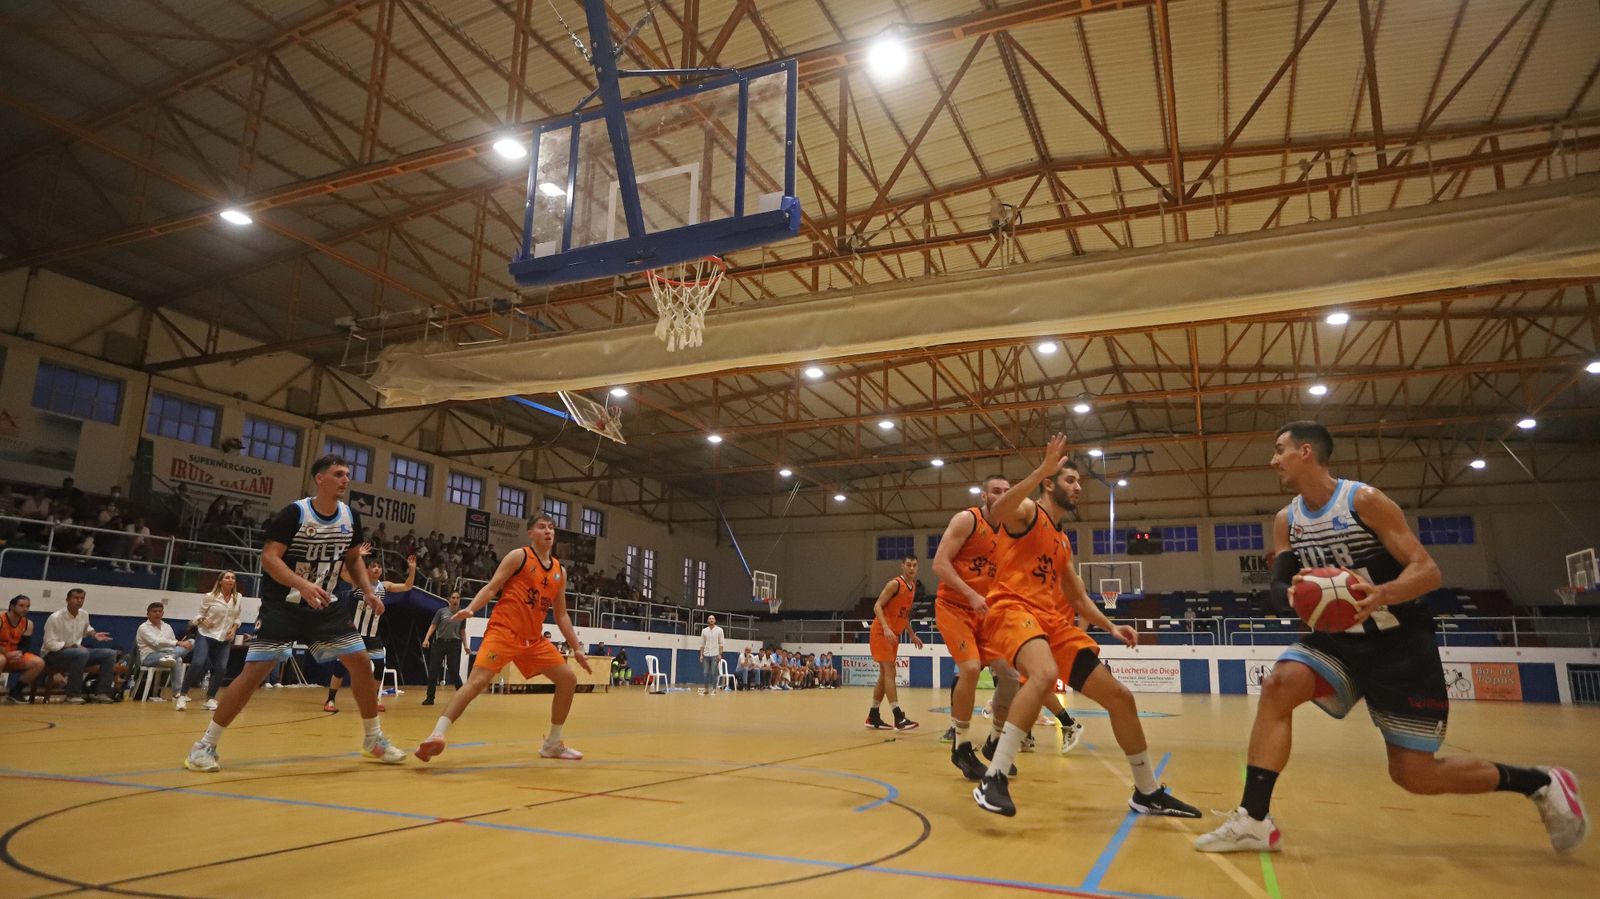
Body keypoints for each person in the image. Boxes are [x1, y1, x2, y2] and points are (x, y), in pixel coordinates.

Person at [1196, 422, 1587, 853]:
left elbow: (1428, 570)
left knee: (1414, 775)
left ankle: (1541, 782)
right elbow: (1278, 582)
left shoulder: (1363, 500)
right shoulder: (1287, 519)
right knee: (1278, 684)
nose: (1273, 460)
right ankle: (1253, 819)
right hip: (1338, 640)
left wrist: (1385, 592)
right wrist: (1290, 594)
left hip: (1399, 645)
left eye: (1279, 449)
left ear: (1306, 452)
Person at [972, 435, 1199, 819]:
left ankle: (1147, 792)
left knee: (1120, 698)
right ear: (1050, 484)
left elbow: (1077, 597)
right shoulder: (1027, 512)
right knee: (1043, 674)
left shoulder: (1061, 542)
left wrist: (1111, 626)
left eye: (1079, 483)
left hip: (1049, 622)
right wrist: (1041, 468)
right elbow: (997, 509)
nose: (1078, 488)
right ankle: (993, 777)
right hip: (1011, 609)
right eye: (1070, 480)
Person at [182, 454, 405, 772]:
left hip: (324, 607)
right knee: (253, 675)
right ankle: (203, 747)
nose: (345, 480)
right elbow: (270, 558)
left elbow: (353, 558)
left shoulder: (349, 517)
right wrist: (303, 585)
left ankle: (373, 740)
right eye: (339, 474)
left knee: (361, 662)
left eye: (347, 475)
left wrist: (368, 591)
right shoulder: (295, 514)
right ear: (320, 479)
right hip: (282, 606)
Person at [416, 514, 591, 763]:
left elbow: (561, 614)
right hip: (503, 631)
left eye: (551, 527)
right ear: (530, 533)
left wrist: (577, 648)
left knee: (568, 679)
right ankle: (436, 735)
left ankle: (553, 743)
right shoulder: (519, 557)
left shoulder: (559, 572)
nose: (548, 531)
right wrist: (472, 608)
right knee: (476, 682)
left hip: (533, 640)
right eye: (541, 527)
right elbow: (491, 587)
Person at [932, 475, 1052, 779]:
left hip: (987, 612)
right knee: (970, 669)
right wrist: (970, 593)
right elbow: (939, 564)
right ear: (984, 495)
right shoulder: (967, 520)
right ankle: (961, 747)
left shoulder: (1012, 532)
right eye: (995, 491)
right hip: (955, 606)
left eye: (1006, 492)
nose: (1001, 496)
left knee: (1011, 675)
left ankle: (995, 742)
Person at [326, 549, 413, 711]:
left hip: (373, 636)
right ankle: (330, 700)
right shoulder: (358, 582)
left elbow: (407, 586)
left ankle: (372, 700)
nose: (377, 569)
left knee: (380, 667)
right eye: (373, 566)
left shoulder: (384, 586)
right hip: (353, 634)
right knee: (340, 668)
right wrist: (356, 555)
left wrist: (412, 569)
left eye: (379, 567)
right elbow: (343, 572)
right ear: (366, 569)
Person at [866, 557, 923, 730]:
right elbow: (877, 606)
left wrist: (912, 634)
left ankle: (873, 716)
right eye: (908, 565)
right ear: (902, 566)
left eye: (914, 565)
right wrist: (885, 627)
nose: (911, 568)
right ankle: (898, 717)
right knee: (890, 672)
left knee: (884, 675)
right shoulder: (895, 584)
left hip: (893, 635)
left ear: (917, 567)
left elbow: (903, 615)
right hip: (882, 632)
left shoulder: (912, 587)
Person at [175, 571, 244, 711]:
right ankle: (182, 695)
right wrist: (202, 620)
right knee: (198, 663)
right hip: (206, 634)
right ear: (220, 581)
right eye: (227, 577)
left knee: (222, 668)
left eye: (233, 578)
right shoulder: (210, 597)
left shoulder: (238, 597)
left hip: (224, 637)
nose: (231, 580)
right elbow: (198, 616)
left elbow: (237, 618)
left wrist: (234, 629)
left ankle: (210, 698)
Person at [40, 587, 119, 703]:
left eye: (82, 598)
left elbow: (87, 627)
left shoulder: (84, 614)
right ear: (67, 599)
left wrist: (93, 634)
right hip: (53, 655)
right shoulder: (55, 618)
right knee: (81, 653)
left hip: (78, 653)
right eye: (76, 598)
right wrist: (72, 646)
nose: (79, 601)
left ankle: (103, 693)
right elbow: (49, 644)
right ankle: (72, 694)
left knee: (110, 654)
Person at [136, 601, 192, 700]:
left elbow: (172, 642)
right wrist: (178, 643)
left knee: (192, 641)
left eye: (160, 611)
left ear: (163, 613)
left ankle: (177, 694)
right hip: (150, 656)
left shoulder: (167, 626)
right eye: (154, 611)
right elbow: (156, 642)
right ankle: (177, 692)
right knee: (177, 659)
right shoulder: (143, 627)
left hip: (168, 653)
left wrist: (175, 647)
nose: (157, 613)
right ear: (148, 614)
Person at [421, 589, 466, 706]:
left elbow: (462, 632)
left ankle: (462, 696)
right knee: (433, 669)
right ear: (449, 599)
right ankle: (430, 697)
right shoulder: (441, 612)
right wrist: (426, 639)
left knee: (454, 670)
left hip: (454, 644)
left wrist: (466, 646)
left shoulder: (462, 615)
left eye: (457, 598)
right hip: (440, 643)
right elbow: (433, 626)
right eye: (453, 597)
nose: (455, 600)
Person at [2, 595, 45, 703]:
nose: (25, 609)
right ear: (12, 606)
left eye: (27, 606)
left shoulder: (28, 623)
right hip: (2, 654)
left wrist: (19, 653)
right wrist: (6, 654)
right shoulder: (1, 619)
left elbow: (25, 645)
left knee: (38, 663)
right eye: (21, 606)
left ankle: (16, 691)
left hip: (12, 655)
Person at [699, 614, 725, 694]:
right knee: (705, 673)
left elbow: (721, 644)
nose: (711, 620)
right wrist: (701, 655)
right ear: (707, 620)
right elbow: (702, 644)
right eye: (709, 619)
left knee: (714, 673)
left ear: (715, 620)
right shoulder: (704, 631)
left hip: (715, 655)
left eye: (712, 619)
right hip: (706, 655)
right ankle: (706, 689)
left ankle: (714, 689)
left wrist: (720, 654)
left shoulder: (720, 630)